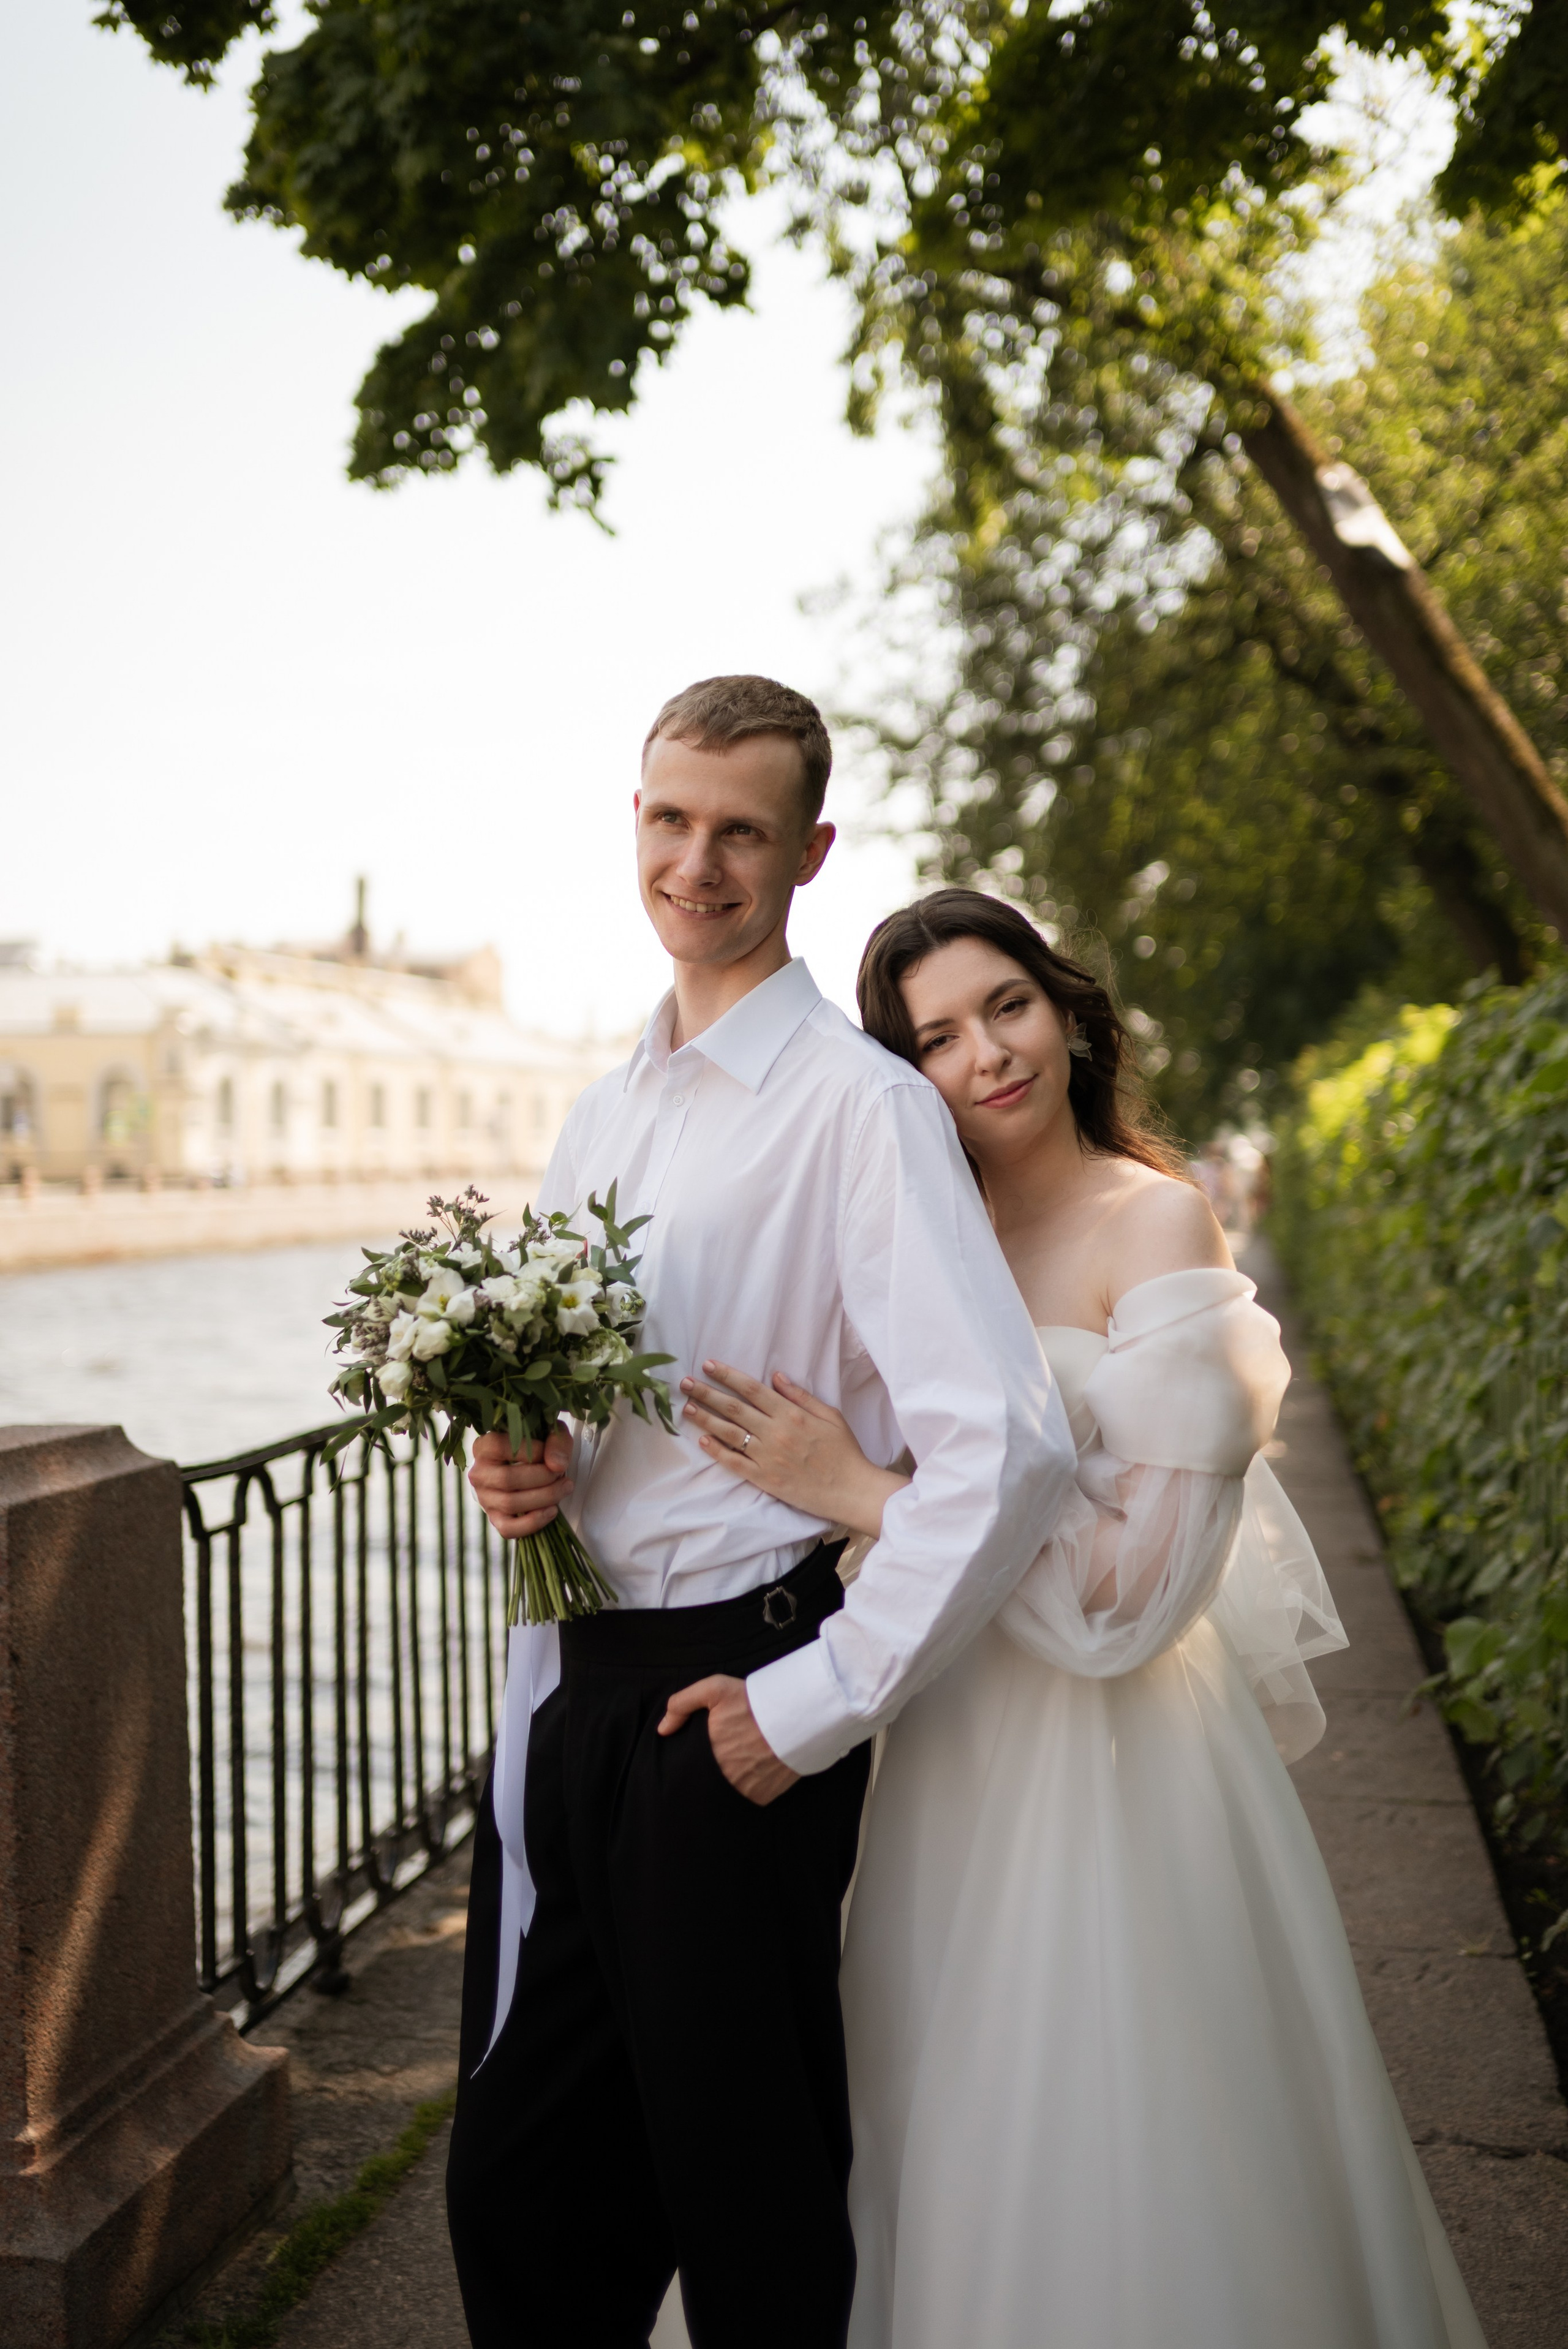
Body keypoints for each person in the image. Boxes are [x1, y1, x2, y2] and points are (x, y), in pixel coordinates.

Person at [682, 889, 1487, 2349]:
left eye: (1006, 1005)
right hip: (936, 1738)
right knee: (927, 2097)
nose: (985, 1054)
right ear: (901, 1074)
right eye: (932, 1038)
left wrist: (868, 1493)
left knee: (1117, 2119)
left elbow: (1123, 1598)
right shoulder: (915, 1237)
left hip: (1116, 1757)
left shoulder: (1155, 1218)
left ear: (1064, 1010)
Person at [448, 685, 1080, 2349]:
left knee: (752, 2211)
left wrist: (811, 1706)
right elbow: (591, 1414)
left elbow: (1006, 1448)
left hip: (734, 1704)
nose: (697, 860)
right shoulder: (605, 1111)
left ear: (807, 852)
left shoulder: (859, 1111)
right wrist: (534, 1472)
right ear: (635, 821)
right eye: (670, 818)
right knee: (518, 2184)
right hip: (580, 1687)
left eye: (740, 829)